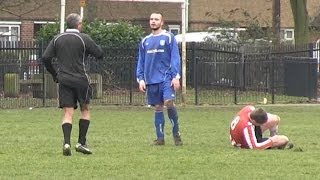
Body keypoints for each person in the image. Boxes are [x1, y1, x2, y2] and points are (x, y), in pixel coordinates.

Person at [42, 13, 103, 156]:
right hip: (81, 79)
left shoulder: (57, 38)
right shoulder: (84, 38)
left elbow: (45, 57)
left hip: (64, 80)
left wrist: (54, 74)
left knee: (68, 112)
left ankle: (66, 143)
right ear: (79, 24)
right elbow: (100, 54)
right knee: (85, 109)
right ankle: (81, 143)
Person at [136, 12, 182, 146]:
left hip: (166, 77)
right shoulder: (145, 41)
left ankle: (176, 134)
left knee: (168, 102)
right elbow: (141, 61)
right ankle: (160, 138)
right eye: (151, 19)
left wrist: (176, 76)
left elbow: (175, 57)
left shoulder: (168, 37)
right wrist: (141, 79)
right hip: (151, 80)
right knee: (158, 107)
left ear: (162, 22)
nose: (153, 21)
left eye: (156, 19)